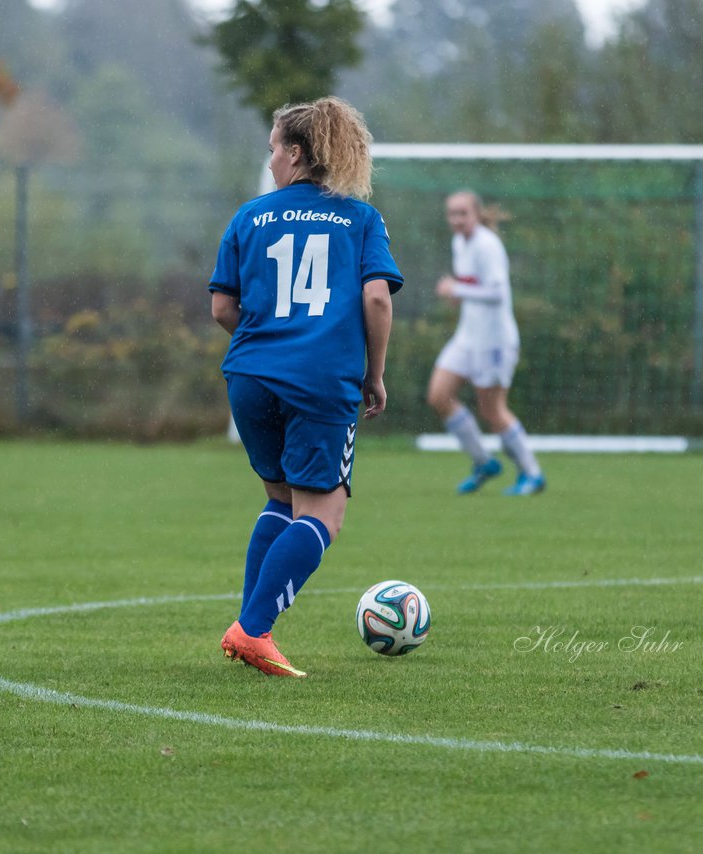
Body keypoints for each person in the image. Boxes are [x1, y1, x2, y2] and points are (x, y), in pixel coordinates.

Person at [208, 96, 403, 678]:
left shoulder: (249, 216)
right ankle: (253, 630)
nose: (269, 161)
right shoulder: (359, 217)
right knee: (324, 513)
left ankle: (247, 626)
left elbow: (222, 306)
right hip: (320, 380)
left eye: (272, 149)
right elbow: (375, 297)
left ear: (295, 153)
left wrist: (269, 341)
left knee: (280, 500)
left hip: (248, 376)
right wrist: (374, 374)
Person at [426, 190, 545, 496]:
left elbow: (497, 294)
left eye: (463, 213)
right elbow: (472, 287)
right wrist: (457, 293)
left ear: (477, 214)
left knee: (492, 410)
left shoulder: (487, 245)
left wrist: (458, 290)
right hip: (468, 336)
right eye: (452, 214)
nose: (457, 220)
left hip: (494, 340)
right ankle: (483, 462)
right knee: (439, 395)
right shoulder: (459, 243)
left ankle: (532, 474)